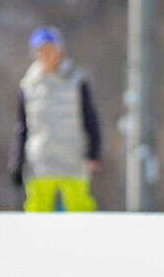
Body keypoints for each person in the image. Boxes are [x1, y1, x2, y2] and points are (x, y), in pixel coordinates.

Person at [8, 26, 101, 212]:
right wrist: (16, 161)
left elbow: (91, 120)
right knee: (37, 213)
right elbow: (22, 127)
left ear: (59, 50)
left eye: (49, 49)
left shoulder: (77, 81)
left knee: (80, 212)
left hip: (73, 160)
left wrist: (94, 151)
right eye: (40, 50)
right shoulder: (28, 86)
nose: (45, 55)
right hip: (40, 162)